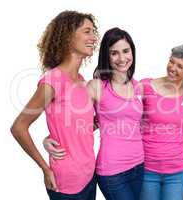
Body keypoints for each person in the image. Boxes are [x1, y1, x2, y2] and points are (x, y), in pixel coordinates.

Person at [44, 27, 145, 200]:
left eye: (126, 51)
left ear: (132, 52)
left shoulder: (137, 86)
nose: (122, 58)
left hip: (139, 164)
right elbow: (73, 119)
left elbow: (98, 122)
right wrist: (48, 138)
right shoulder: (95, 87)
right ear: (107, 56)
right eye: (114, 53)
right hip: (113, 171)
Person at [10, 10, 99, 200]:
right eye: (87, 31)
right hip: (66, 183)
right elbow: (19, 127)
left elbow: (83, 127)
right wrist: (44, 168)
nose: (94, 37)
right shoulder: (53, 80)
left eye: (94, 32)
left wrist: (51, 136)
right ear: (68, 37)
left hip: (90, 176)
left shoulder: (83, 81)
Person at [139, 44, 183, 200]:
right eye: (171, 61)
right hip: (147, 168)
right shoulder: (146, 86)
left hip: (178, 171)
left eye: (180, 66)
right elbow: (129, 117)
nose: (173, 67)